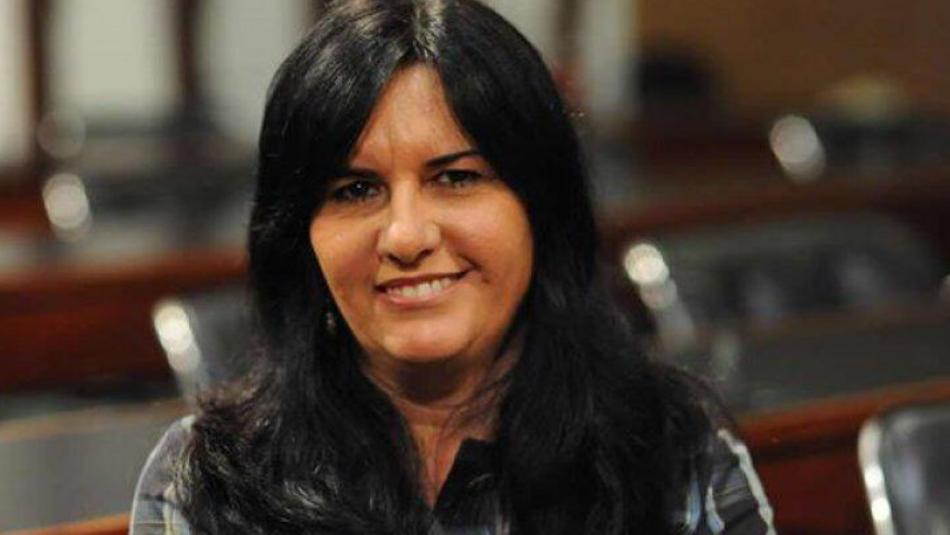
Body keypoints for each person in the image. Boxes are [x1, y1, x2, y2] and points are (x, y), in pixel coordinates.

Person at [131, 1, 775, 533]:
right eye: (355, 190)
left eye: (457, 178)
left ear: (541, 205)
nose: (406, 236)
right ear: (301, 237)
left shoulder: (673, 452)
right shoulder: (208, 484)